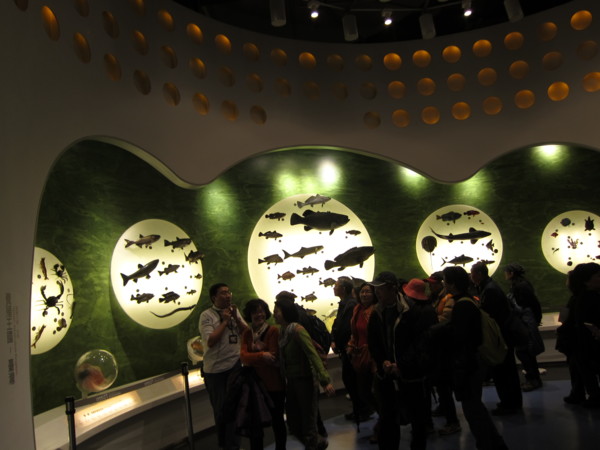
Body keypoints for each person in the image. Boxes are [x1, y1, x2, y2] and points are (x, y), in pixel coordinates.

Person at [443, 266, 509, 450]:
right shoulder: (469, 300)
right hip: (473, 362)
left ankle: (489, 444)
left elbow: (464, 339)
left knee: (473, 409)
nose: (443, 284)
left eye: (445, 280)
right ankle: (493, 443)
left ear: (452, 284)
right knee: (475, 407)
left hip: (469, 365)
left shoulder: (462, 305)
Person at [368, 271, 428, 450]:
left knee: (418, 420)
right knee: (387, 420)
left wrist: (401, 364)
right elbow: (374, 342)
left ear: (392, 288)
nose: (377, 293)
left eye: (381, 289)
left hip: (411, 376)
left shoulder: (412, 311)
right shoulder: (376, 312)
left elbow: (420, 343)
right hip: (386, 376)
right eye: (376, 289)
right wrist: (382, 362)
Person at [274, 296, 335, 449]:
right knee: (294, 419)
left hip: (305, 380)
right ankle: (316, 443)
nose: (274, 314)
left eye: (277, 311)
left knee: (308, 419)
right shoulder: (283, 332)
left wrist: (325, 381)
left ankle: (313, 443)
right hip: (292, 380)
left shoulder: (297, 330)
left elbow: (312, 354)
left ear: (286, 312)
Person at [199, 283, 248, 450]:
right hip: (216, 371)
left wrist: (236, 318)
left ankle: (234, 445)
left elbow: (246, 333)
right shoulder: (206, 315)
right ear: (214, 297)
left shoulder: (234, 311)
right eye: (223, 293)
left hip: (235, 366)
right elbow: (210, 341)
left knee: (236, 408)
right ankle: (226, 446)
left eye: (228, 292)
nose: (228, 296)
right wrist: (225, 321)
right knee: (221, 410)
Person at [470, 262, 522, 415]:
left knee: (504, 372)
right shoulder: (490, 287)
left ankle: (509, 404)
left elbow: (491, 315)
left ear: (479, 274)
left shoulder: (489, 290)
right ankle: (511, 402)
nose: (471, 276)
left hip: (500, 337)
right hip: (503, 336)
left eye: (472, 273)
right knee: (507, 371)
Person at [240, 299, 286, 450]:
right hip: (255, 387)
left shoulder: (273, 331)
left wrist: (254, 356)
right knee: (255, 424)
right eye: (255, 312)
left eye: (261, 311)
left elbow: (273, 357)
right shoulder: (247, 333)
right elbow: (243, 357)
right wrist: (261, 355)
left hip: (274, 385)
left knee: (277, 421)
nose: (259, 314)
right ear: (249, 314)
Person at [331, 276, 369, 421]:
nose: (334, 288)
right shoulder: (345, 304)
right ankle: (359, 409)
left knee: (352, 380)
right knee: (351, 380)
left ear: (343, 288)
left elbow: (347, 328)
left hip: (351, 349)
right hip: (346, 349)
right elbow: (338, 325)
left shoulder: (350, 304)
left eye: (336, 285)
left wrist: (344, 344)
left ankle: (362, 410)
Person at [504, 263, 545, 392]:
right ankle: (533, 378)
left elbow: (527, 305)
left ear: (511, 273)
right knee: (526, 352)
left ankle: (533, 380)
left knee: (524, 352)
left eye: (506, 272)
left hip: (524, 322)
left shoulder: (519, 286)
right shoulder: (522, 284)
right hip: (527, 321)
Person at [347, 281, 379, 442]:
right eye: (362, 292)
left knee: (375, 392)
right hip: (359, 357)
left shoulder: (376, 310)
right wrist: (351, 345)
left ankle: (383, 424)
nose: (364, 294)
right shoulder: (357, 309)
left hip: (373, 357)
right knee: (364, 392)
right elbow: (355, 333)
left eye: (368, 292)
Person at [567, 263, 600, 407]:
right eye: (597, 276)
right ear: (586, 281)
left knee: (585, 370)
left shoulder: (579, 298)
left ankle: (591, 396)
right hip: (588, 342)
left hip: (585, 342)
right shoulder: (587, 298)